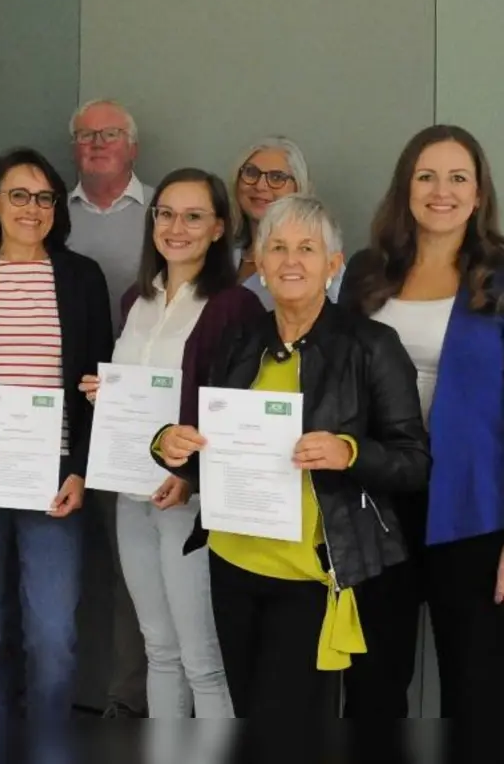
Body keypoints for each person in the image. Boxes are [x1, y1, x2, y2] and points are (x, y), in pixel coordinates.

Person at [152, 195, 430, 718]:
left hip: (309, 577)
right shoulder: (238, 340)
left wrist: (347, 451)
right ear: (260, 259)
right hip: (232, 564)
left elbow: (413, 462)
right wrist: (168, 445)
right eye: (277, 247)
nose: (291, 260)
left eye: (307, 248)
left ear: (333, 264)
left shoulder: (369, 345)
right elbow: (208, 454)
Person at [0, 147, 113, 723]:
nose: (31, 209)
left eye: (44, 197)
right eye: (18, 195)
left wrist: (81, 469)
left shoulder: (81, 277)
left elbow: (98, 384)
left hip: (55, 482)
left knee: (53, 636)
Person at [80, 169, 262, 718]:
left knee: (202, 659)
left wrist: (191, 476)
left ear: (218, 228)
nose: (176, 227)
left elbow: (232, 411)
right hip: (130, 494)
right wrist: (104, 395)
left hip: (189, 500)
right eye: (165, 213)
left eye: (193, 216)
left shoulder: (235, 307)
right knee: (158, 649)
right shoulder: (137, 299)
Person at [341, 125, 504, 719]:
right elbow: (332, 382)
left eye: (459, 177)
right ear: (405, 188)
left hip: (476, 509)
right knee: (372, 684)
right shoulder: (366, 273)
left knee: (476, 685)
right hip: (376, 505)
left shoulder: (501, 275)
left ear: (479, 193)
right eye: (427, 176)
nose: (443, 191)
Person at [64, 98, 150, 717]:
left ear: (133, 147)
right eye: (86, 135)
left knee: (135, 575)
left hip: (136, 419)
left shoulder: (162, 213)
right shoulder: (47, 210)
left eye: (110, 134)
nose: (97, 143)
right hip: (52, 415)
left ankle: (129, 702)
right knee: (61, 562)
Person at [228, 137, 342, 309]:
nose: (260, 185)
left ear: (298, 186)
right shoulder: (224, 255)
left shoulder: (323, 256)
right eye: (251, 173)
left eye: (276, 177)